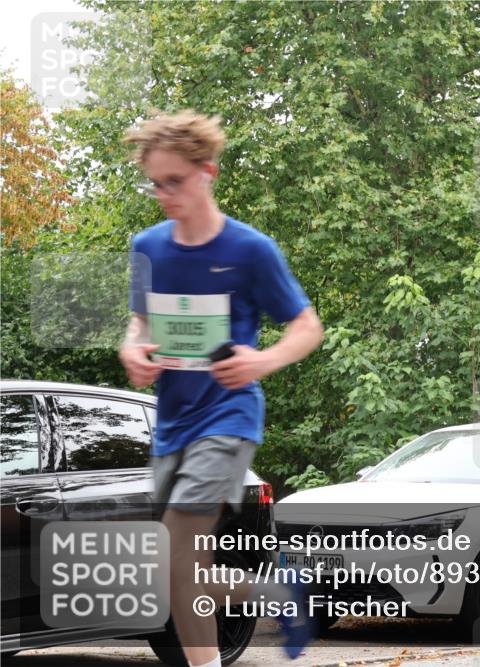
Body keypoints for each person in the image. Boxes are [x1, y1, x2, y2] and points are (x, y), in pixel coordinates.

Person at [120, 110, 325, 667]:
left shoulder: (249, 249)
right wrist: (133, 349)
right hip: (172, 423)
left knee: (177, 541)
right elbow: (139, 325)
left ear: (207, 172)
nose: (163, 194)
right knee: (185, 566)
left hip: (230, 418)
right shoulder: (148, 247)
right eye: (155, 183)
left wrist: (262, 360)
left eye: (175, 181)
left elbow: (307, 326)